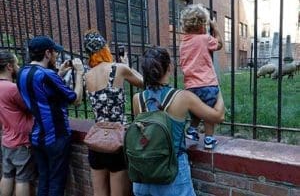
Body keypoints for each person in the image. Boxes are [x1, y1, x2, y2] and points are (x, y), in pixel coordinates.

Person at [132, 47, 224, 196]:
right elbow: (218, 116)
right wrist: (216, 89)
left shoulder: (138, 99)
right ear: (169, 67)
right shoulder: (182, 97)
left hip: (143, 174)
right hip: (172, 174)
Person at [16, 36, 84, 196]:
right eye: (55, 53)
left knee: (44, 179)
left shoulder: (22, 72)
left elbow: (42, 92)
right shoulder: (47, 75)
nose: (56, 56)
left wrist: (59, 73)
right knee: (56, 183)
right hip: (56, 137)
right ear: (47, 53)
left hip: (37, 136)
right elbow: (76, 100)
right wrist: (80, 74)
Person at [83, 29, 143, 196]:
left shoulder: (87, 75)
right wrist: (128, 66)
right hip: (117, 140)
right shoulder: (118, 68)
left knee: (99, 193)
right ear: (105, 48)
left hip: (97, 140)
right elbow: (144, 83)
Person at [179, 4, 223, 149]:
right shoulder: (205, 38)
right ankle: (209, 139)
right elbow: (220, 45)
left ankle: (192, 129)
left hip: (191, 87)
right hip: (207, 84)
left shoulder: (183, 43)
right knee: (209, 113)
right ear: (203, 25)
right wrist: (215, 28)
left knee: (197, 110)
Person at [0, 51, 35, 196]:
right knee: (23, 179)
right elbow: (31, 107)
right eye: (16, 63)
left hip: (7, 139)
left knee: (7, 175)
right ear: (9, 66)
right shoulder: (12, 89)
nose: (18, 66)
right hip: (21, 141)